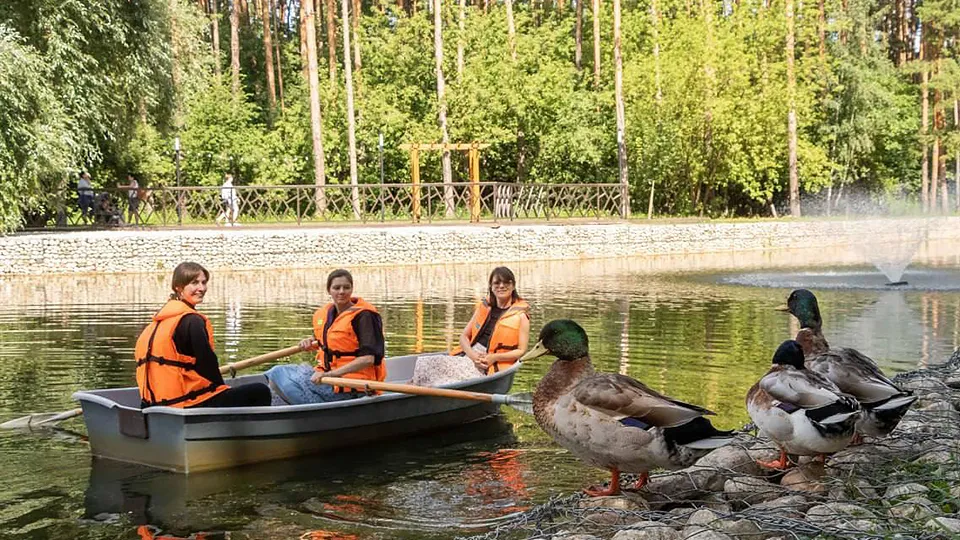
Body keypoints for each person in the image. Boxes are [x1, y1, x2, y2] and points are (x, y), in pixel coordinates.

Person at [135, 262, 271, 408]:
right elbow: (207, 365)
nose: (202, 288)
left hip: (154, 406)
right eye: (194, 283)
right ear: (178, 287)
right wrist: (222, 389)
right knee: (260, 391)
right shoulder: (192, 321)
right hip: (188, 404)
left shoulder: (155, 325)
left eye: (204, 282)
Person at [264, 269, 386, 405]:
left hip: (352, 386)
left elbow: (368, 359)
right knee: (278, 371)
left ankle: (313, 407)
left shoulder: (365, 316)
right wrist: (310, 341)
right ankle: (307, 405)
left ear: (352, 289)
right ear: (329, 290)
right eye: (336, 288)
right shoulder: (327, 314)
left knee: (278, 374)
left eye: (346, 287)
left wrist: (330, 375)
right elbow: (328, 340)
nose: (342, 292)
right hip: (327, 377)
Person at [412, 267, 530, 386]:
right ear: (491, 286)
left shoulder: (521, 316)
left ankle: (420, 389)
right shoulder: (484, 308)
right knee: (424, 362)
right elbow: (464, 336)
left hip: (492, 363)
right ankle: (415, 388)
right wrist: (472, 356)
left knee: (439, 376)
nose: (501, 286)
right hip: (471, 355)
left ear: (513, 286)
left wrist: (494, 357)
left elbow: (521, 351)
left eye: (506, 282)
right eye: (497, 283)